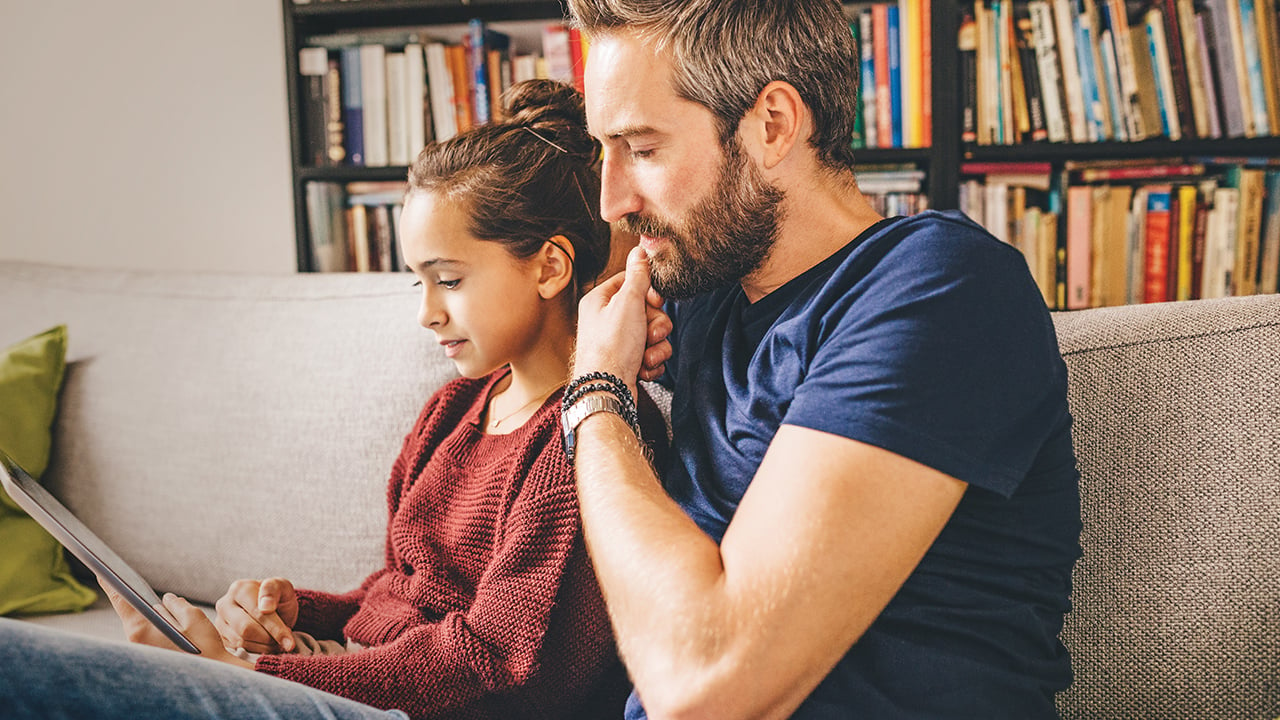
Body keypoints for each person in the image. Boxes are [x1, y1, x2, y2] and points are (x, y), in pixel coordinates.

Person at [0, 79, 653, 720]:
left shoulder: (584, 437)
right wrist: (295, 612)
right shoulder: (452, 413)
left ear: (548, 266)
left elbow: (495, 668)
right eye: (417, 281)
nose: (427, 313)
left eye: (448, 280)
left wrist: (252, 675)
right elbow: (398, 595)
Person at [557, 1, 1084, 718]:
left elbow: (707, 688)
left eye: (644, 149)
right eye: (603, 151)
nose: (612, 199)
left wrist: (597, 396)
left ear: (773, 124)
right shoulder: (708, 290)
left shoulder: (940, 289)